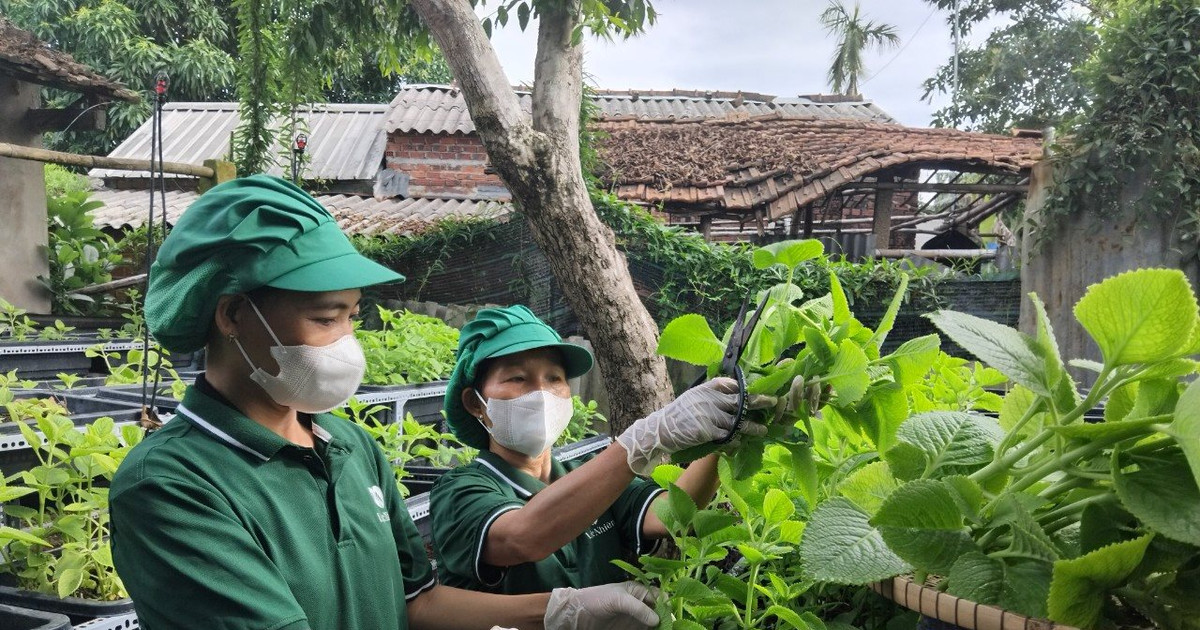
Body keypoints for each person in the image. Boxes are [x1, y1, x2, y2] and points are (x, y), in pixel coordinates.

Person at [109, 175, 662, 630]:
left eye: (351, 316)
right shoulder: (171, 485)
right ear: (232, 315)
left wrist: (560, 611)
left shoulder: (351, 448)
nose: (346, 341)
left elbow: (417, 603)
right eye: (325, 318)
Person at [430, 305, 772, 594]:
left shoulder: (588, 471)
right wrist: (644, 439)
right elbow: (523, 536)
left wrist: (726, 437)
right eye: (517, 378)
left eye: (554, 378)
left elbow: (673, 512)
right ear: (475, 404)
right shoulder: (461, 491)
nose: (542, 394)